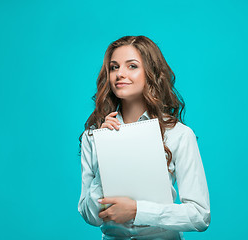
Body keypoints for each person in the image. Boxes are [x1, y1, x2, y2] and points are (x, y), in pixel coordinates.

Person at [78, 35, 210, 240]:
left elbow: (200, 216)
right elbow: (90, 216)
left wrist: (137, 211)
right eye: (114, 67)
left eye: (132, 66)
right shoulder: (93, 136)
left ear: (151, 73)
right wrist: (108, 152)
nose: (120, 74)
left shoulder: (179, 134)